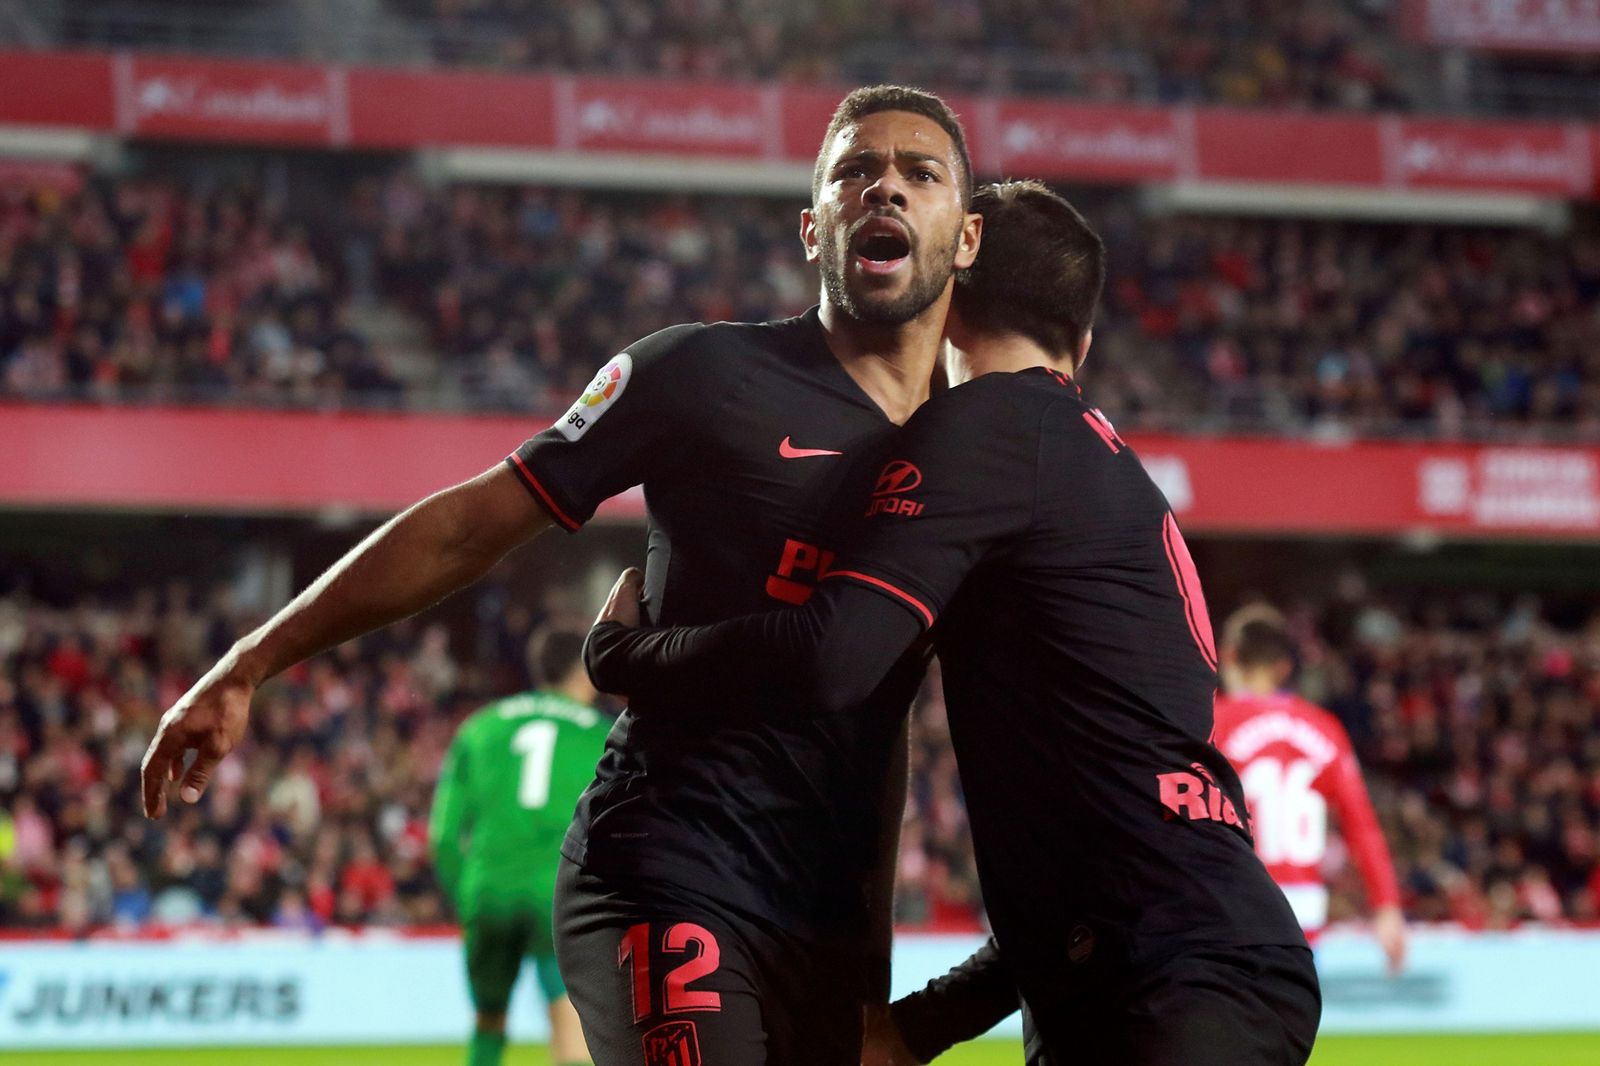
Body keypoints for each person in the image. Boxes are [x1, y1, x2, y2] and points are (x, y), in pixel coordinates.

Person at [140, 84, 982, 1065]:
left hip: (828, 920)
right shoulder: (700, 376)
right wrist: (250, 659)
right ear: (812, 226)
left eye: (918, 174)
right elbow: (470, 526)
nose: (882, 189)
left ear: (965, 236)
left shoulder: (986, 458)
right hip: (669, 865)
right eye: (853, 172)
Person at [587, 181, 1319, 1065]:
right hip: (1163, 960)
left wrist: (636, 655)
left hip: (1163, 978)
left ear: (948, 296)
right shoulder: (1096, 468)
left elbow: (833, 655)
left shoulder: (991, 423)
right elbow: (1101, 830)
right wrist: (917, 1026)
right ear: (1081, 340)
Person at [430, 626, 609, 1066]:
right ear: (586, 671)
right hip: (556, 893)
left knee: (488, 1021)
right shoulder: (601, 734)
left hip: (487, 889)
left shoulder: (482, 726)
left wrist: (469, 894)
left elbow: (444, 836)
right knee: (569, 1025)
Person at [1212, 606, 1408, 973]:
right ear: (1284, 667)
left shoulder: (1212, 723)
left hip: (1232, 904)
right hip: (1302, 913)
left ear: (1229, 656)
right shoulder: (1324, 728)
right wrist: (1386, 905)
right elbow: (1361, 823)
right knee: (1290, 1026)